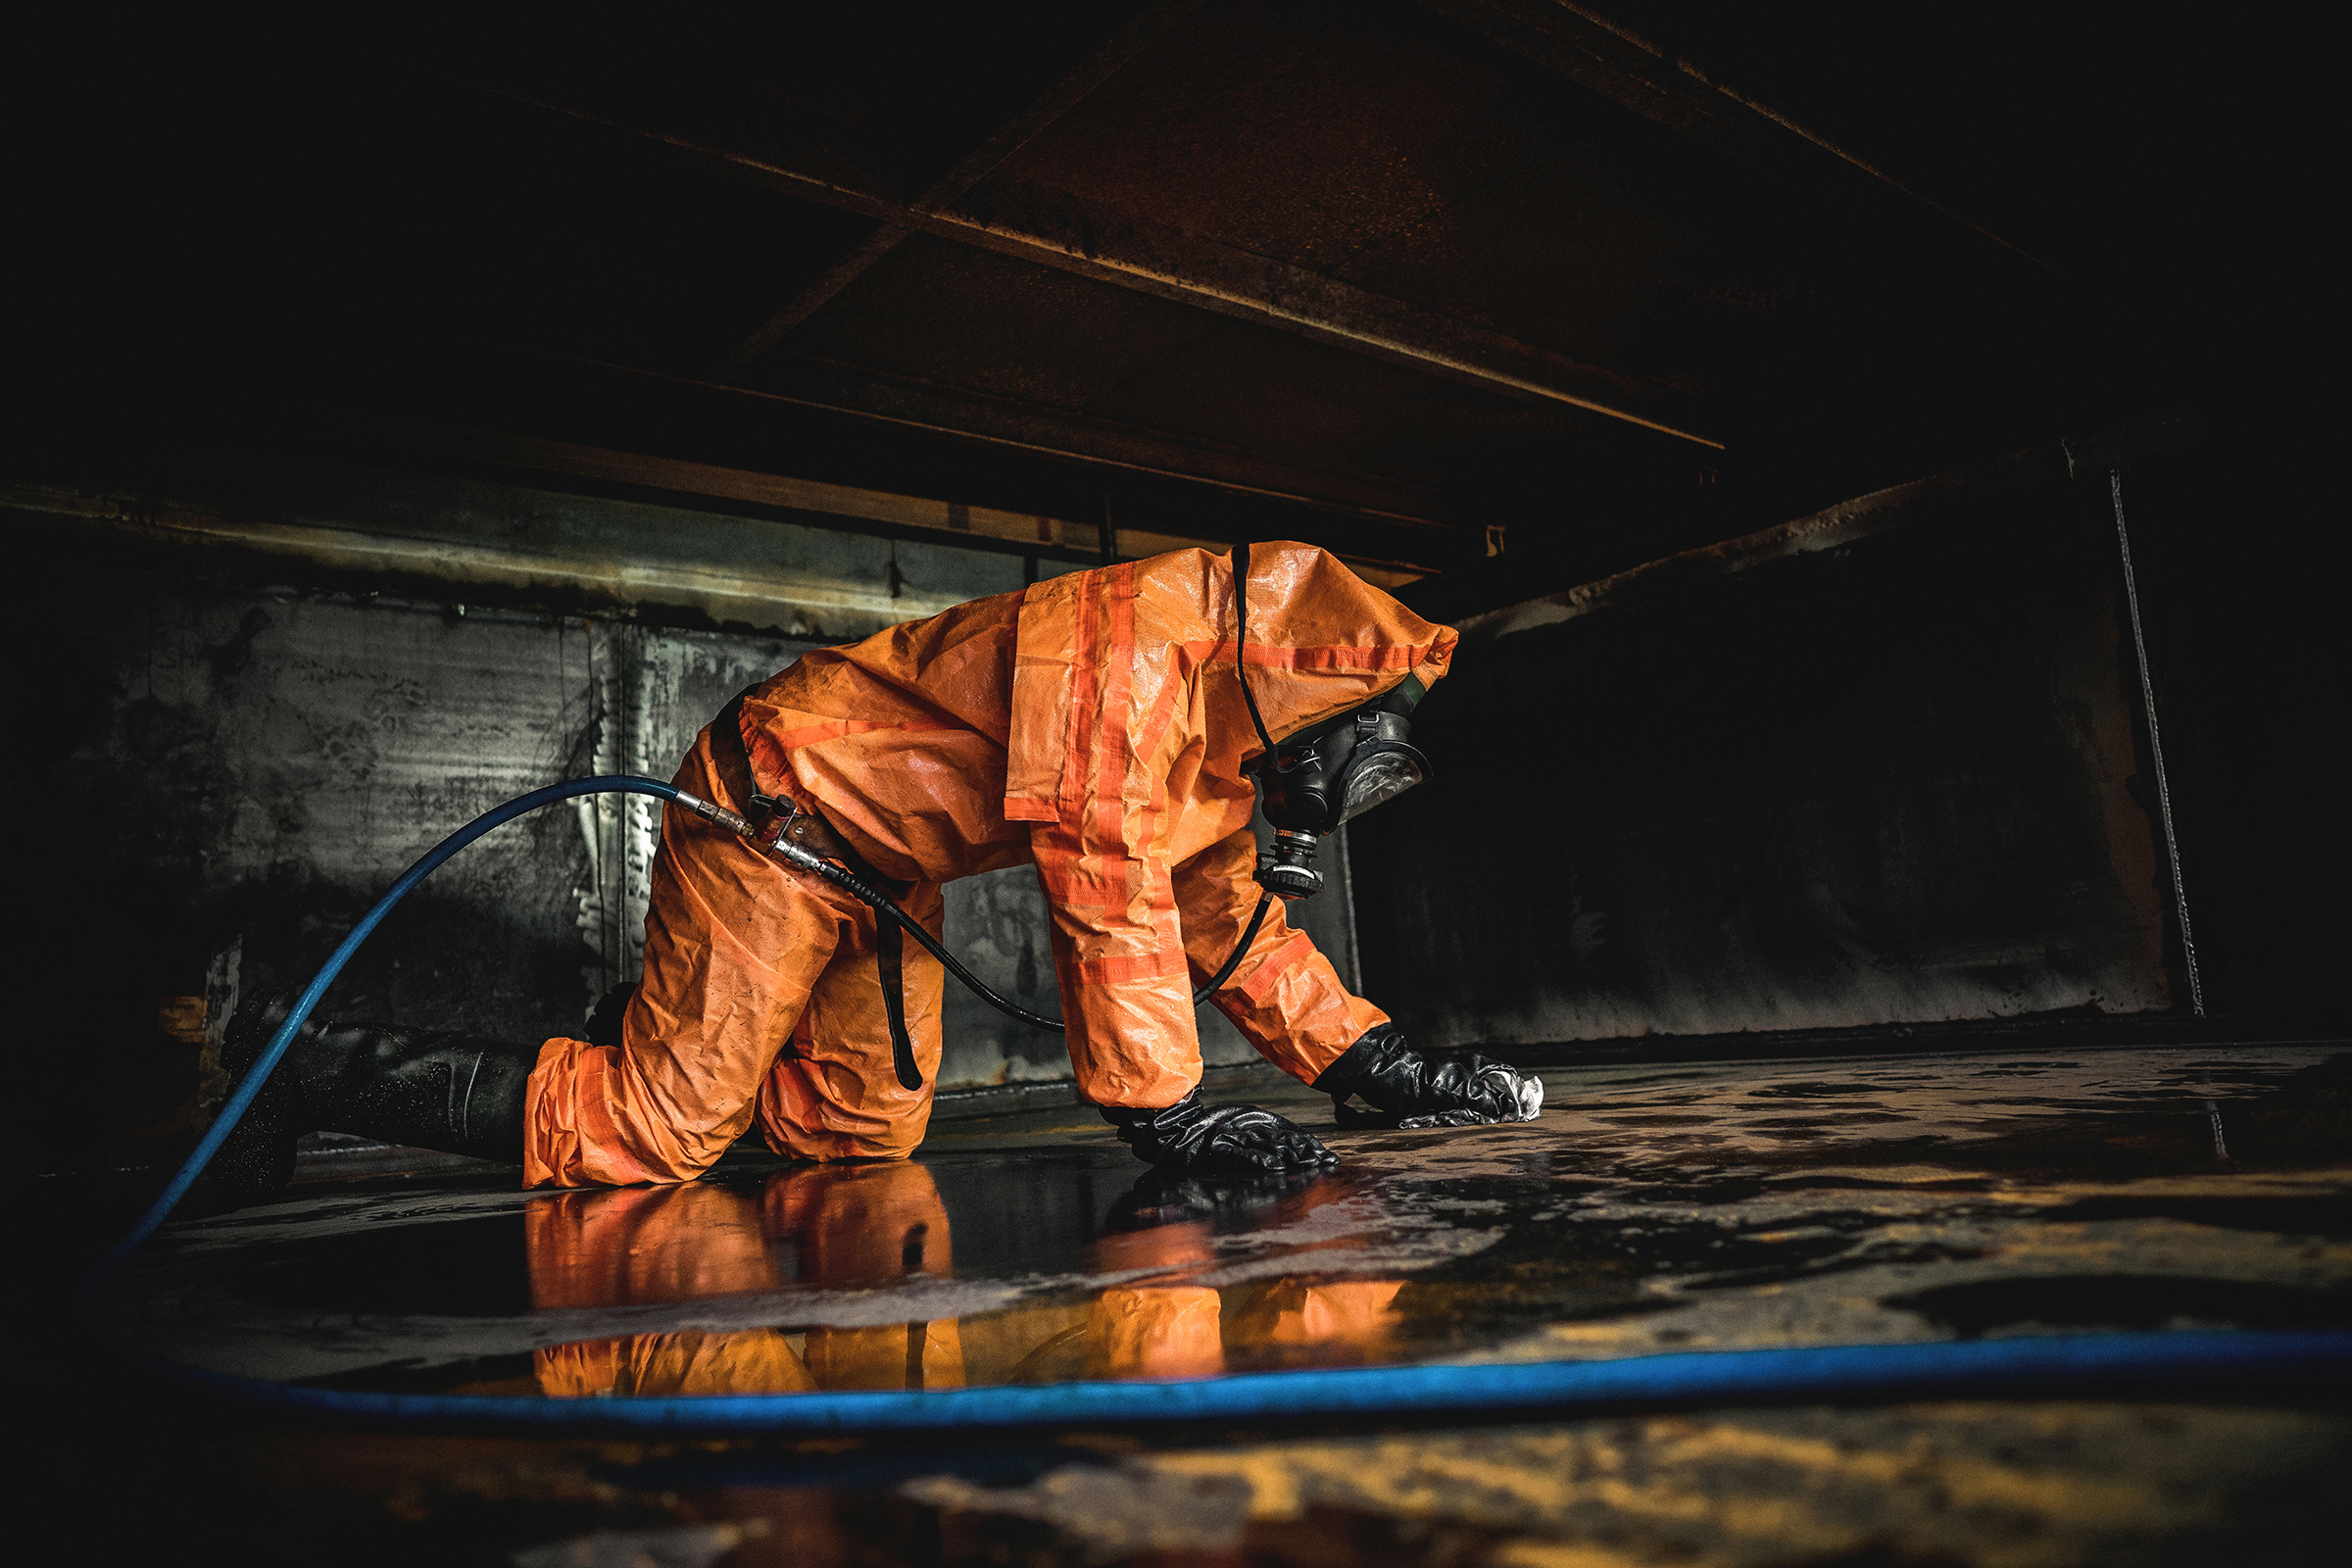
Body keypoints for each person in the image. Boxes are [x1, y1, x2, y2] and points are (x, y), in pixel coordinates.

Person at [210, 543, 1540, 1203]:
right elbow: (1111, 885)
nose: (1336, 799)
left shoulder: (1226, 738)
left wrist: (1370, 1062)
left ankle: (661, 1035)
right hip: (776, 810)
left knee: (862, 1138)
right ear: (1313, 691)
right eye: (1352, 764)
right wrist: (1166, 1112)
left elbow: (1216, 909)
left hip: (888, 875)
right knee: (656, 1138)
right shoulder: (1138, 644)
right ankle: (280, 1057)